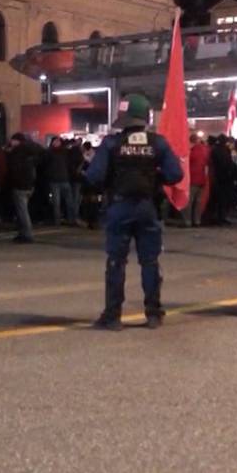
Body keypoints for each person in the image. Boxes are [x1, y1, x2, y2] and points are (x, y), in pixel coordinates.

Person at [85, 94, 183, 331]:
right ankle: (153, 314)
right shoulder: (158, 143)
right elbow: (175, 175)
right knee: (150, 261)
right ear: (145, 116)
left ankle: (112, 316)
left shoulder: (111, 143)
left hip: (119, 206)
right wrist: (154, 176)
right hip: (147, 207)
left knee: (116, 262)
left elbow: (94, 176)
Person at [7, 133, 44, 243]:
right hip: (30, 183)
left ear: (17, 141)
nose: (11, 142)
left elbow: (14, 168)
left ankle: (27, 234)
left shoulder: (17, 152)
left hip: (20, 185)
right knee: (23, 210)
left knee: (22, 212)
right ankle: (22, 233)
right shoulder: (32, 151)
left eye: (12, 140)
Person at [45, 136, 75, 226]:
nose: (56, 143)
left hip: (57, 179)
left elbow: (45, 164)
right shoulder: (64, 152)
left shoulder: (50, 152)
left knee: (58, 202)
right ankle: (69, 219)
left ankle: (59, 221)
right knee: (66, 201)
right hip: (62, 179)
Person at [185, 133, 209, 227]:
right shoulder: (205, 150)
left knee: (190, 201)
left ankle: (188, 221)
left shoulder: (191, 151)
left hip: (192, 178)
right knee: (198, 202)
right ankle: (197, 220)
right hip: (202, 179)